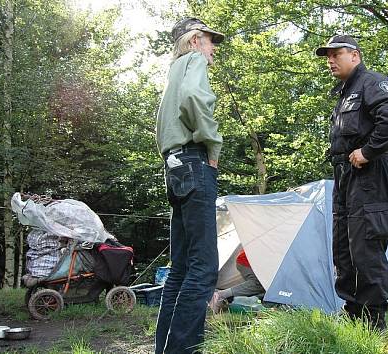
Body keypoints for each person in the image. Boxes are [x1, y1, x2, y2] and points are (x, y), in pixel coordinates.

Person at [315, 35, 388, 331]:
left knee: (366, 246)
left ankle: (372, 319)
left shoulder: (371, 83)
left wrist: (369, 151)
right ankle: (352, 311)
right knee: (343, 245)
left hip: (369, 176)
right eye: (327, 56)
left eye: (335, 54)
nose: (330, 60)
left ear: (354, 55)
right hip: (345, 176)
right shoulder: (344, 92)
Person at [154, 17, 225, 354]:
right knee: (204, 269)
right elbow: (195, 97)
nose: (213, 50)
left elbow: (165, 123)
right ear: (196, 40)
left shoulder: (172, 71)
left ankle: (165, 349)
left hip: (175, 166)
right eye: (211, 41)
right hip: (195, 163)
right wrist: (212, 145)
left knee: (180, 270)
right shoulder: (194, 62)